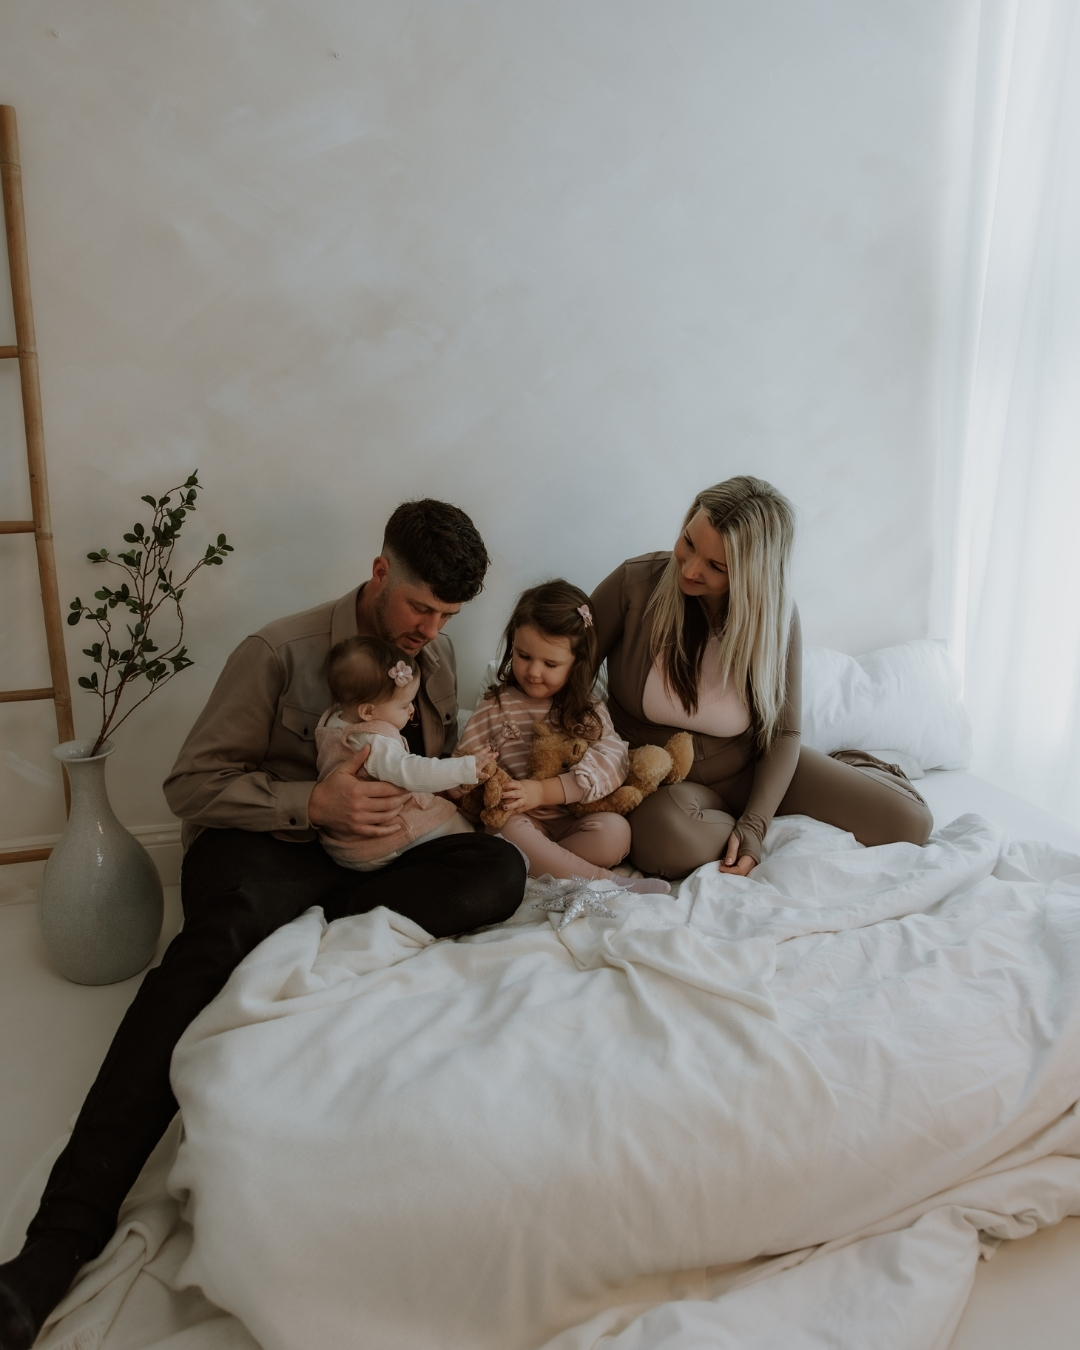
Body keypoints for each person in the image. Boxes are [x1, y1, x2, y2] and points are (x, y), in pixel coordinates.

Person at [0, 499, 526, 1350]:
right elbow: (190, 786)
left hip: (363, 861)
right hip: (263, 845)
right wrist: (312, 802)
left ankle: (302, 928)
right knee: (206, 950)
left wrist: (468, 788)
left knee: (499, 872)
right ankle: (53, 1245)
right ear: (379, 570)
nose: (430, 629)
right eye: (420, 606)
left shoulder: (436, 655)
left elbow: (416, 765)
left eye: (448, 616)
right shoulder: (276, 651)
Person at [590, 476, 933, 879]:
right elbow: (568, 671)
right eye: (689, 542)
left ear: (752, 574)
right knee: (667, 844)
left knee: (912, 824)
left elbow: (785, 732)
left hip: (749, 768)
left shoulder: (775, 617)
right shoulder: (635, 584)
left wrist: (755, 823)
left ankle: (853, 764)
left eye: (716, 566)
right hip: (664, 779)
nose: (691, 568)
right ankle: (717, 816)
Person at [455, 579, 669, 894]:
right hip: (521, 819)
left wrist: (543, 791)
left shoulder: (588, 709)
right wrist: (469, 780)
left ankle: (547, 865)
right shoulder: (494, 707)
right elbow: (464, 762)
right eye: (523, 655)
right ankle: (608, 884)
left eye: (550, 663)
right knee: (504, 828)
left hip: (572, 821)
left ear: (576, 664)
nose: (533, 671)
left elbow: (615, 760)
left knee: (616, 832)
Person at [314, 634, 496, 869]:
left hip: (342, 842)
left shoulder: (333, 722)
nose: (412, 710)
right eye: (404, 705)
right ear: (368, 712)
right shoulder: (375, 740)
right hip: (383, 839)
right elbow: (411, 771)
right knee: (461, 827)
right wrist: (466, 767)